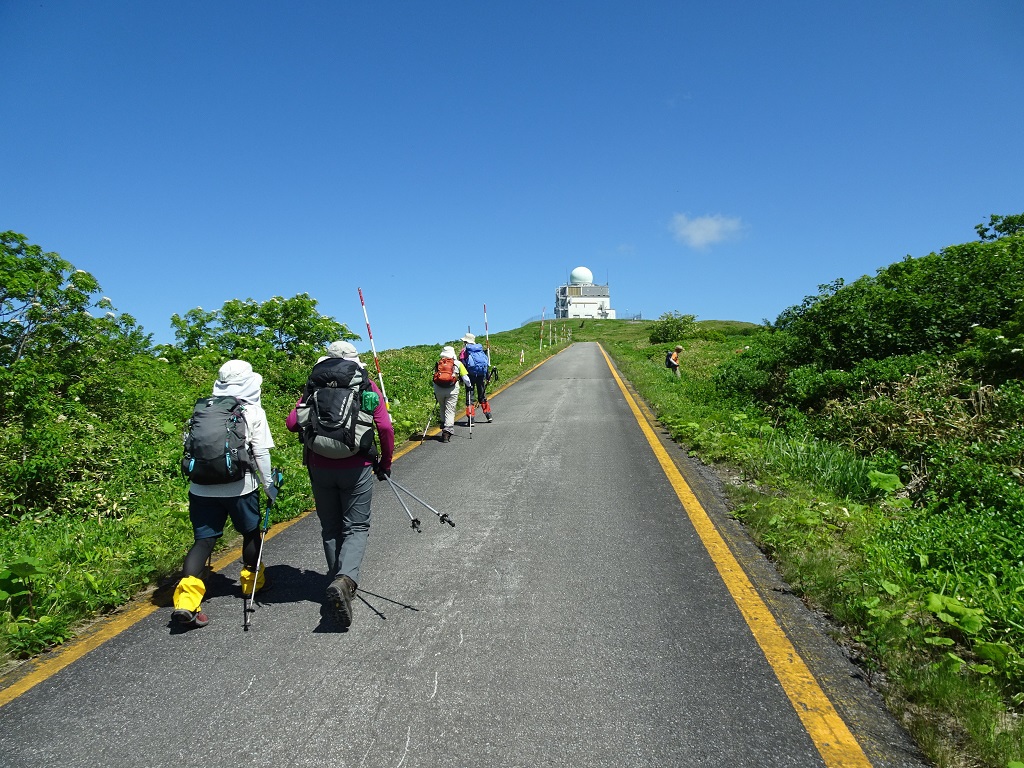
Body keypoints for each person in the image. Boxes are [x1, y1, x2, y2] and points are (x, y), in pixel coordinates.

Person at [286, 341, 394, 629]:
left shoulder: (314, 385)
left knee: (331, 527)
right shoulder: (365, 385)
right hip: (356, 465)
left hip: (319, 465)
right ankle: (345, 581)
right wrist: (386, 462)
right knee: (356, 526)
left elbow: (291, 423)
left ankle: (336, 581)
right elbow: (384, 427)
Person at [173, 359, 278, 628]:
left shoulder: (204, 408)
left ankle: (186, 602)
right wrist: (269, 487)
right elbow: (261, 454)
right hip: (240, 487)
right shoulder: (251, 410)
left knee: (203, 541)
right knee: (250, 533)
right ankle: (252, 584)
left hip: (201, 487)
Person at [432, 344, 470, 442]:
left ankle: (443, 423)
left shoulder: (438, 363)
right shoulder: (457, 363)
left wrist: (435, 390)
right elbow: (466, 378)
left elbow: (434, 378)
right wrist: (469, 386)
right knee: (450, 410)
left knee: (442, 407)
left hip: (439, 389)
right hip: (452, 389)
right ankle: (447, 432)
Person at [459, 332, 493, 423]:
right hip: (481, 375)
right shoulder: (480, 350)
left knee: (470, 396)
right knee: (482, 395)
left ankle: (471, 419)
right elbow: (485, 364)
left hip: (470, 376)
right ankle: (488, 415)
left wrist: (461, 379)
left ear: (466, 341)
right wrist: (487, 376)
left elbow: (462, 365)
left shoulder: (464, 351)